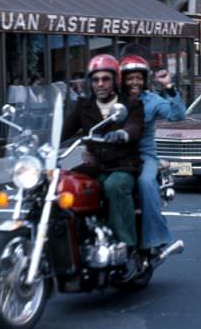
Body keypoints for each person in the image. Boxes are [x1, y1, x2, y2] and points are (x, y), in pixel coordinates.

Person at [62, 54, 144, 248]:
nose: (100, 84)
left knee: (114, 186)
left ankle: (125, 244)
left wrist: (123, 133)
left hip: (123, 165)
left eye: (105, 79)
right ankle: (73, 241)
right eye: (95, 79)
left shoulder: (130, 103)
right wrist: (40, 138)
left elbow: (135, 126)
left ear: (115, 80)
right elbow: (64, 130)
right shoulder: (84, 106)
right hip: (96, 165)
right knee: (63, 183)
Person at [119, 48, 186, 252]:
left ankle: (157, 237)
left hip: (144, 156)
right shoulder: (114, 100)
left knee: (146, 181)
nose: (134, 83)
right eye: (130, 78)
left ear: (145, 79)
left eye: (139, 78)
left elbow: (177, 115)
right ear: (122, 80)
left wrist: (168, 86)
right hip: (116, 155)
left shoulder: (153, 100)